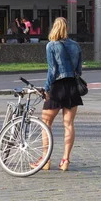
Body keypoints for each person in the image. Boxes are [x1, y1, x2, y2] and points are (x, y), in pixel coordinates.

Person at [37, 17, 84, 172]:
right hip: (72, 87)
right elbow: (79, 70)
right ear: (67, 28)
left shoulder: (51, 45)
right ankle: (65, 160)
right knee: (69, 124)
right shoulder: (76, 46)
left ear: (54, 28)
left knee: (45, 122)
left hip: (57, 86)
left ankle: (46, 159)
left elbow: (52, 70)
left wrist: (46, 89)